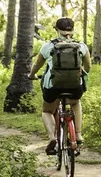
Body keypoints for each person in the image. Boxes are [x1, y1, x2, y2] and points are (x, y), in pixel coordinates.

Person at [30, 17, 91, 155]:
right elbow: (88, 66)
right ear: (73, 30)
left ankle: (52, 138)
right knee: (75, 103)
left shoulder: (49, 46)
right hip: (75, 86)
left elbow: (37, 65)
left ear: (57, 30)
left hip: (53, 87)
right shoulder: (81, 46)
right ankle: (79, 134)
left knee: (47, 111)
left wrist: (32, 75)